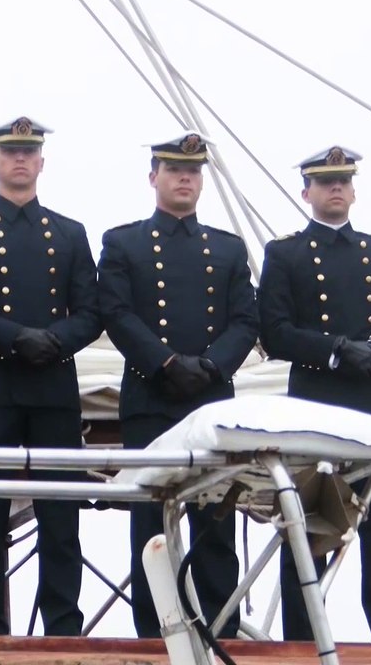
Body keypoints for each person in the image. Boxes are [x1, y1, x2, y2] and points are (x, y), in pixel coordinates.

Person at [0, 116, 101, 636]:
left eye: (28, 152)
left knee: (61, 516)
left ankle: (63, 626)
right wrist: (15, 338)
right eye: (10, 152)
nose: (20, 160)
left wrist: (55, 341)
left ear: (42, 162)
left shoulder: (70, 233)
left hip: (53, 388)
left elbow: (91, 311)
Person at [96, 132, 258, 639]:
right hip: (151, 399)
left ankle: (221, 631)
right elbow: (117, 313)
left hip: (211, 402)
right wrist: (166, 363)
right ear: (154, 178)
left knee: (216, 525)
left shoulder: (228, 250)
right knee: (151, 530)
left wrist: (211, 367)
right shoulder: (124, 243)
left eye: (192, 171)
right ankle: (153, 635)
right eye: (173, 169)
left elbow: (245, 320)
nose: (184, 177)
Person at [257, 145, 371, 642]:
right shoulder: (284, 254)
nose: (336, 189)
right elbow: (275, 331)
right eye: (325, 182)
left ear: (353, 189)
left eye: (343, 181)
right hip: (315, 404)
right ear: (306, 191)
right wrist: (334, 350)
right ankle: (302, 643)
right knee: (307, 532)